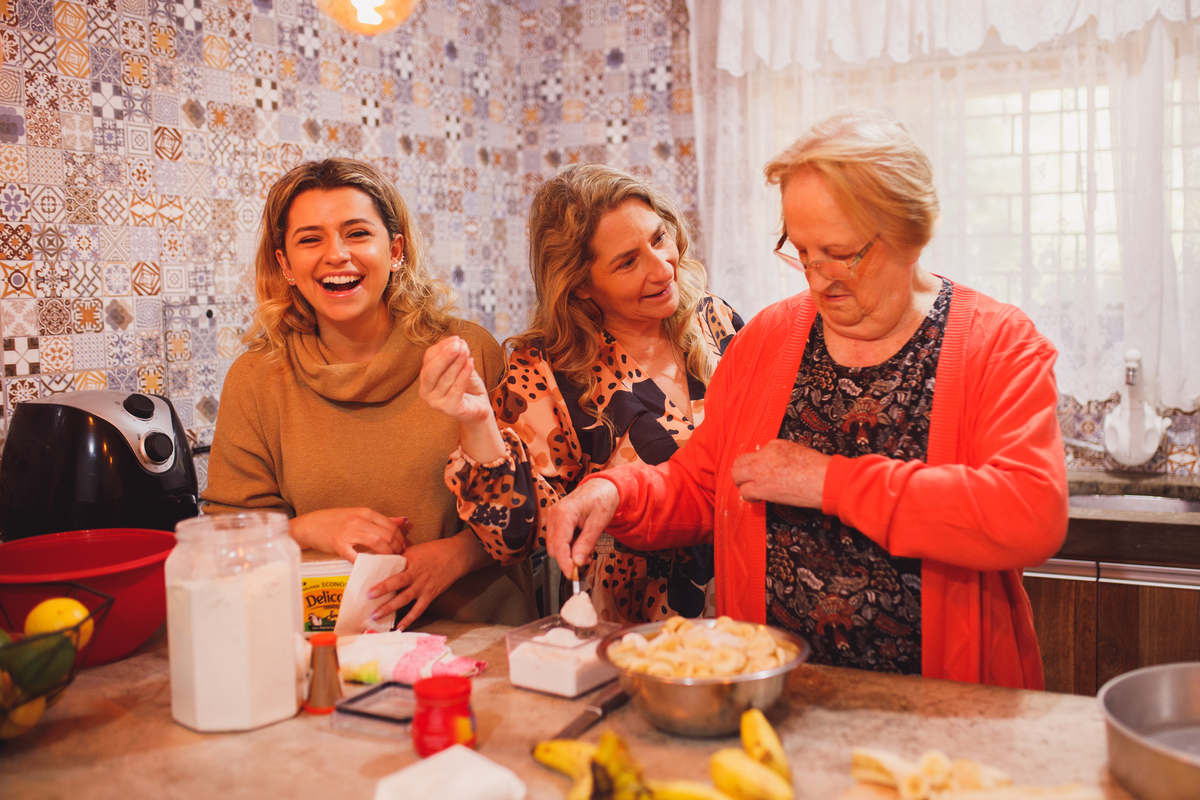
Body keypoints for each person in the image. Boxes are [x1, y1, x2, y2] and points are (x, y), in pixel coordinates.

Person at [545, 109, 1068, 689]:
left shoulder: (998, 343)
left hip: (946, 712)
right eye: (802, 251)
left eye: (841, 253)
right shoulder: (766, 339)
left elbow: (1029, 513)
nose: (818, 279)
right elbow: (703, 485)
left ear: (911, 233)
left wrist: (830, 482)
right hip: (780, 701)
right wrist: (615, 491)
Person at [203, 158, 537, 630]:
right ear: (285, 264)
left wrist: (456, 556)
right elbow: (226, 534)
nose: (337, 255)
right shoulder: (257, 378)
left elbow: (533, 508)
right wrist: (305, 528)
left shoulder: (466, 353)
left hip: (479, 637)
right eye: (310, 239)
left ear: (395, 249)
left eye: (357, 233)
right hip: (332, 643)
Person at [417, 164, 743, 624]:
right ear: (582, 284)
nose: (662, 268)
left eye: (659, 238)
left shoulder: (715, 319)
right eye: (627, 262)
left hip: (747, 598)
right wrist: (477, 421)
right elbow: (512, 535)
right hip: (636, 625)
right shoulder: (547, 372)